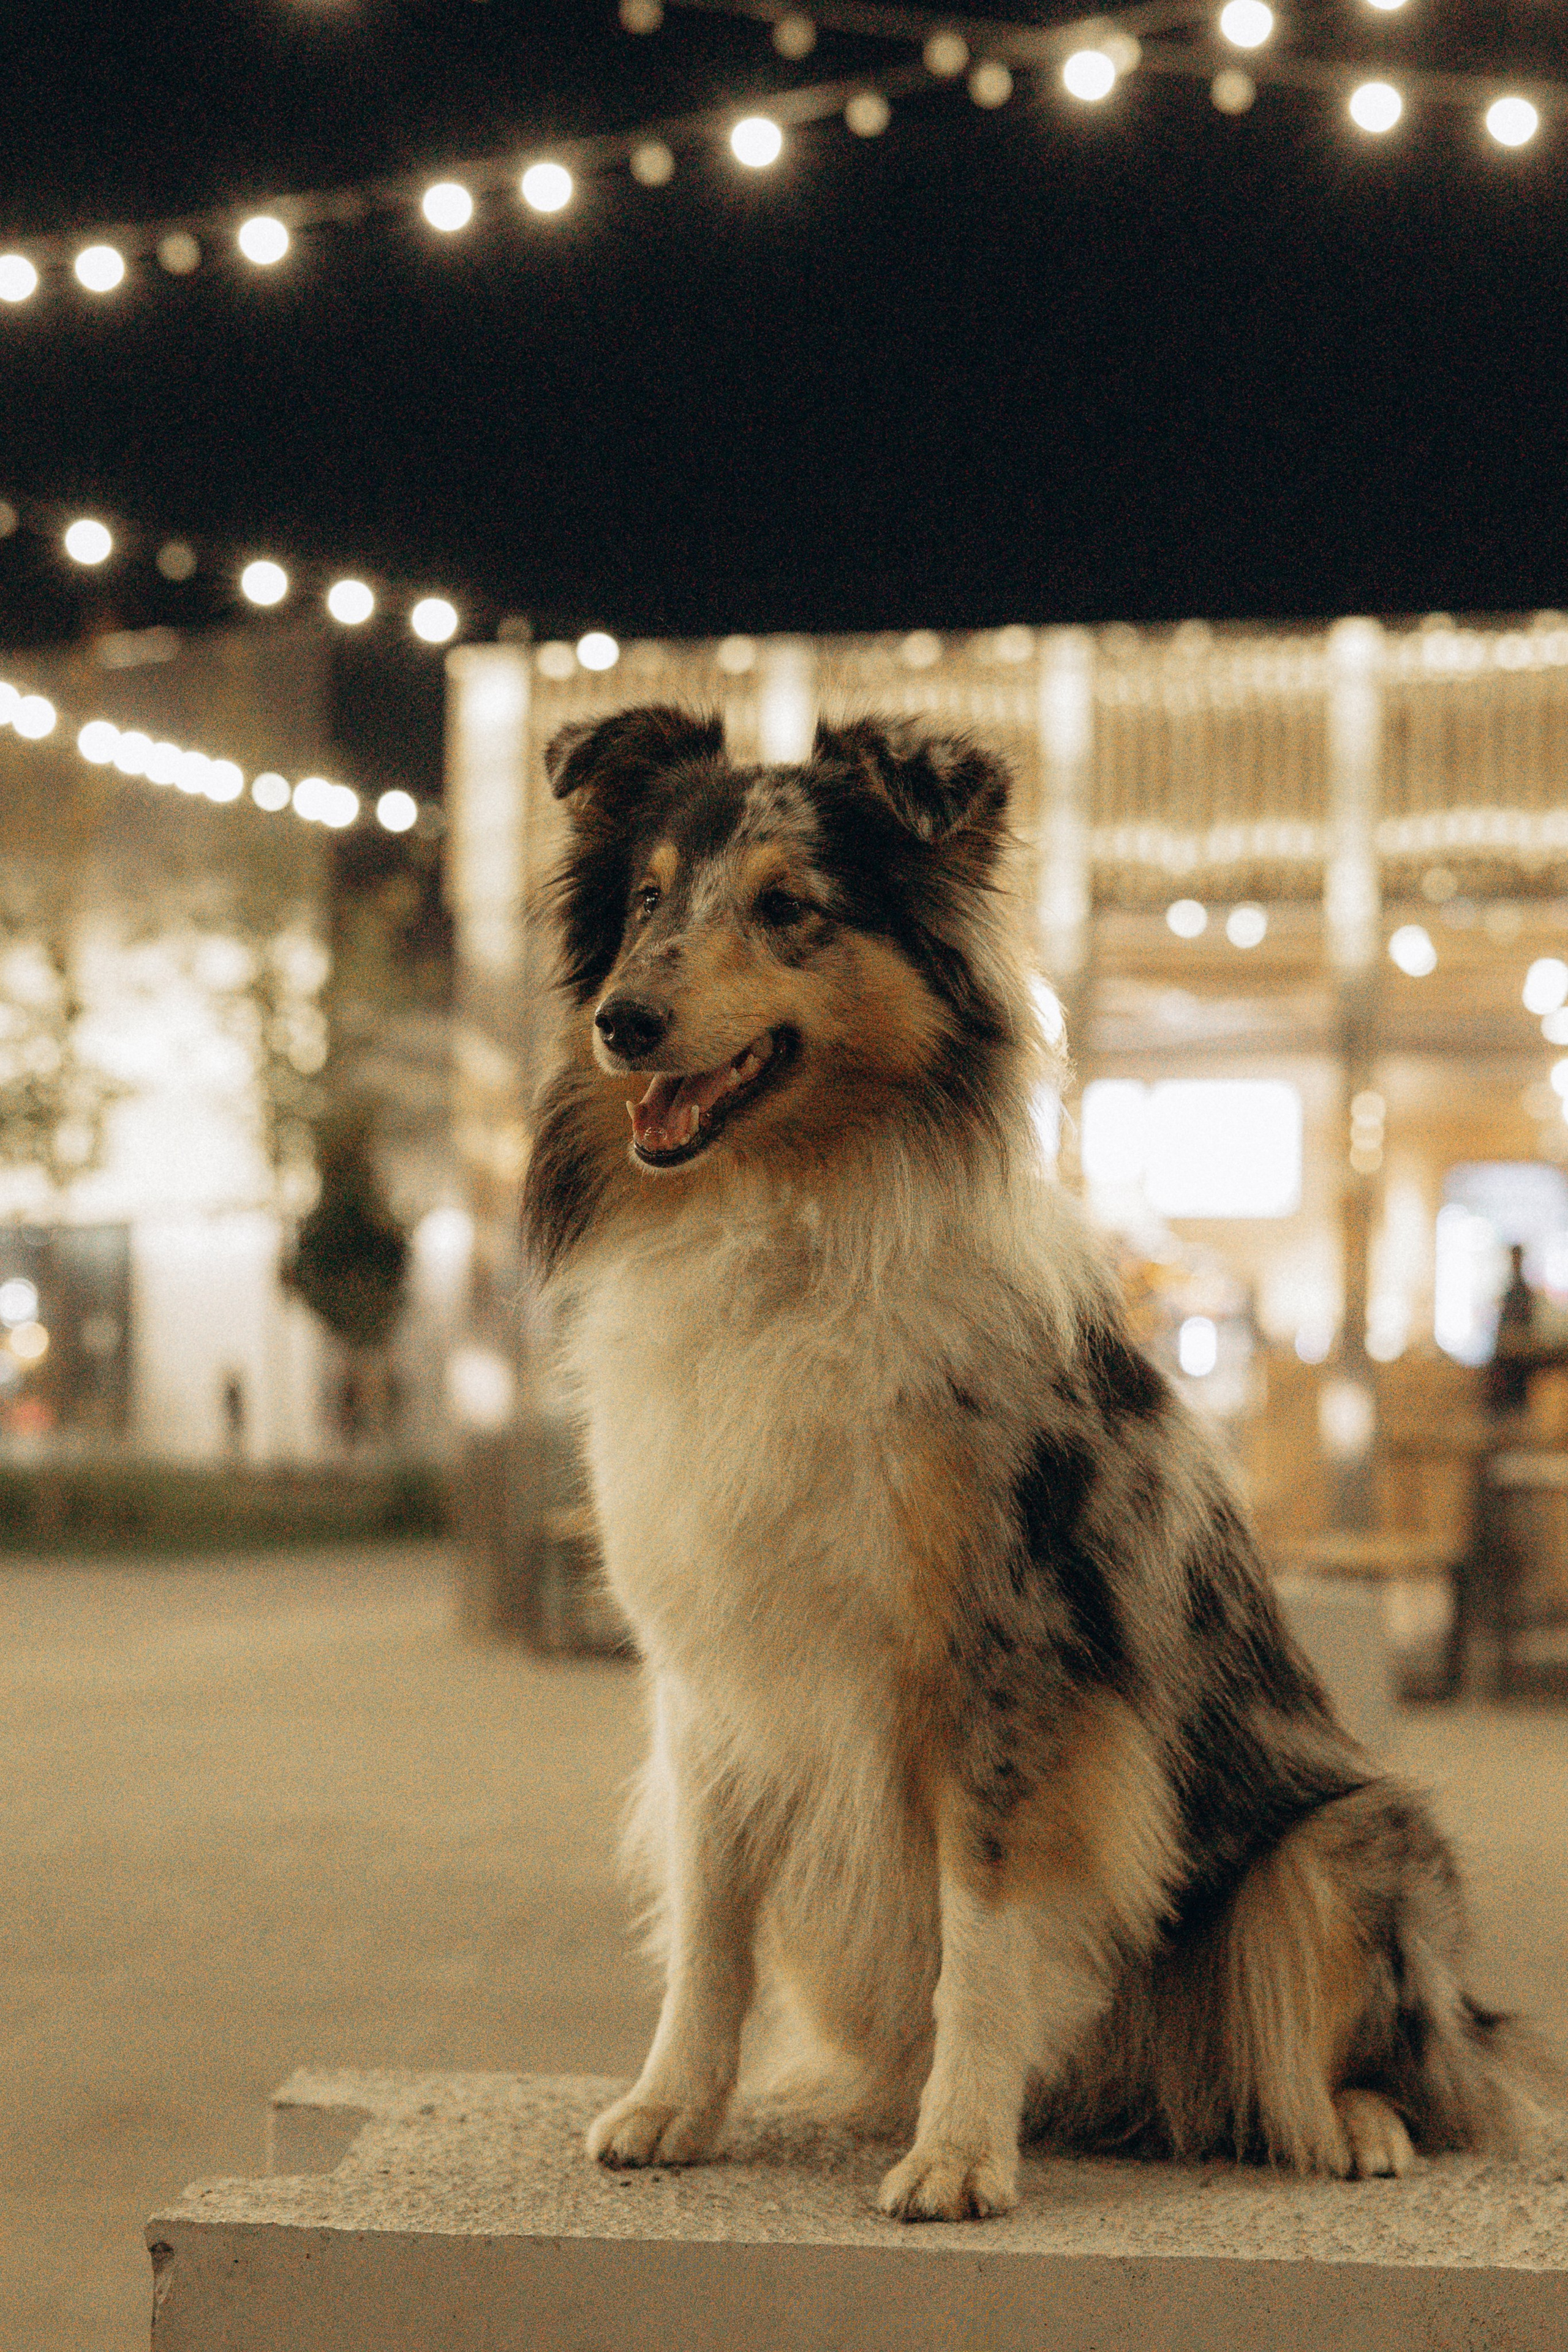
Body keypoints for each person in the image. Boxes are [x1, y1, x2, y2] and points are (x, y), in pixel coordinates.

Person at [1485, 1243, 1535, 1416]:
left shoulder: (1521, 1289)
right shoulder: (1514, 1287)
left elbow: (1523, 1321)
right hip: (1509, 1349)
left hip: (1516, 1350)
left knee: (1513, 1402)